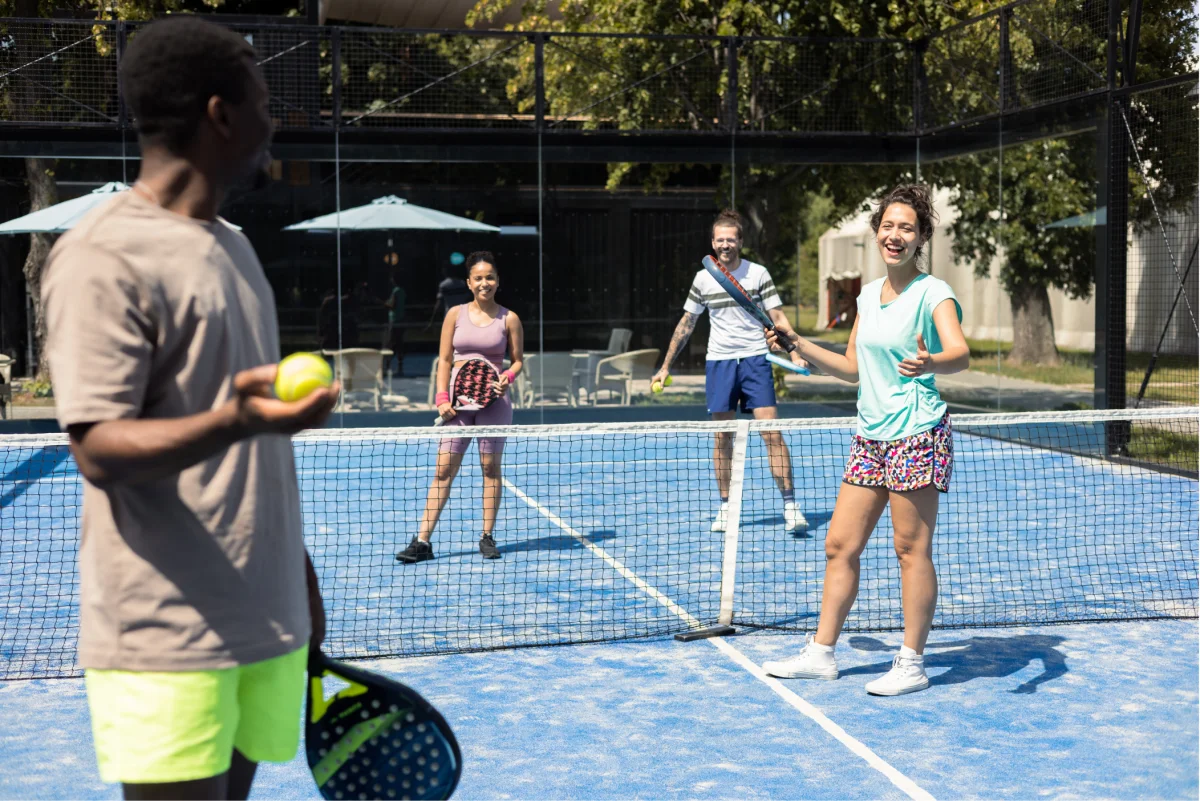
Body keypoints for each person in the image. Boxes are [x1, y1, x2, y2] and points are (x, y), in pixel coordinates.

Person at [39, 17, 340, 800]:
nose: (276, 120)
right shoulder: (103, 254)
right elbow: (97, 448)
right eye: (266, 99)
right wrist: (231, 421)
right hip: (167, 632)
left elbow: (255, 455)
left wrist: (296, 576)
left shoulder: (234, 246)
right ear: (221, 113)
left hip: (263, 615)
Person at [760, 184, 969, 696]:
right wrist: (799, 343)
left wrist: (931, 361)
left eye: (907, 228)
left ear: (921, 238)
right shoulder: (867, 297)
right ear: (877, 232)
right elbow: (852, 369)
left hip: (917, 432)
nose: (895, 236)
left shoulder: (933, 292)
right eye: (888, 226)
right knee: (839, 544)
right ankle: (821, 653)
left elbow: (961, 354)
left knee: (909, 549)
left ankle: (912, 662)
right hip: (871, 435)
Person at [651, 209, 810, 536]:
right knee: (721, 438)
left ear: (740, 242)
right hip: (720, 363)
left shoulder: (758, 274)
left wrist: (795, 350)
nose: (725, 244)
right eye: (720, 240)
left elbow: (777, 314)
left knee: (771, 433)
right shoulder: (702, 278)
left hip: (755, 361)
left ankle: (791, 507)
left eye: (731, 239)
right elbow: (687, 323)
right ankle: (725, 508)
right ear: (713, 242)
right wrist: (665, 366)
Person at [397, 251, 524, 564]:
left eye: (490, 277)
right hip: (456, 405)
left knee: (490, 469)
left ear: (498, 281)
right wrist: (442, 398)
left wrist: (507, 377)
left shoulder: (509, 318)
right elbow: (444, 360)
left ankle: (487, 537)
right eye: (478, 278)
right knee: (442, 471)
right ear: (469, 282)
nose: (485, 283)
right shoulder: (455, 314)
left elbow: (519, 360)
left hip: (495, 404)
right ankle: (423, 542)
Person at [426, 264, 473, 329]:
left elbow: (439, 304)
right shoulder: (462, 283)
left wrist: (432, 321)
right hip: (463, 315)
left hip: (449, 315)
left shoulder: (444, 285)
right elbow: (469, 299)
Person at [382, 271, 407, 376]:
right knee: (399, 344)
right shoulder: (402, 291)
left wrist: (384, 303)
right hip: (401, 320)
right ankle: (400, 367)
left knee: (390, 344)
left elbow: (392, 305)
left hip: (395, 321)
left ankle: (386, 367)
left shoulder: (396, 291)